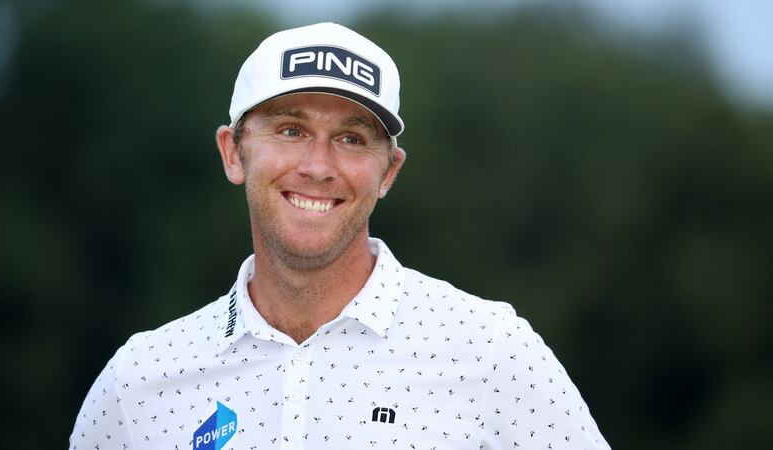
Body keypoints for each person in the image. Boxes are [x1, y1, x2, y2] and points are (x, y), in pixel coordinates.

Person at [69, 22, 610, 450]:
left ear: (388, 172)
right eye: (291, 130)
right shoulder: (140, 382)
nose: (318, 166)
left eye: (351, 139)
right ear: (233, 152)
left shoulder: (492, 352)